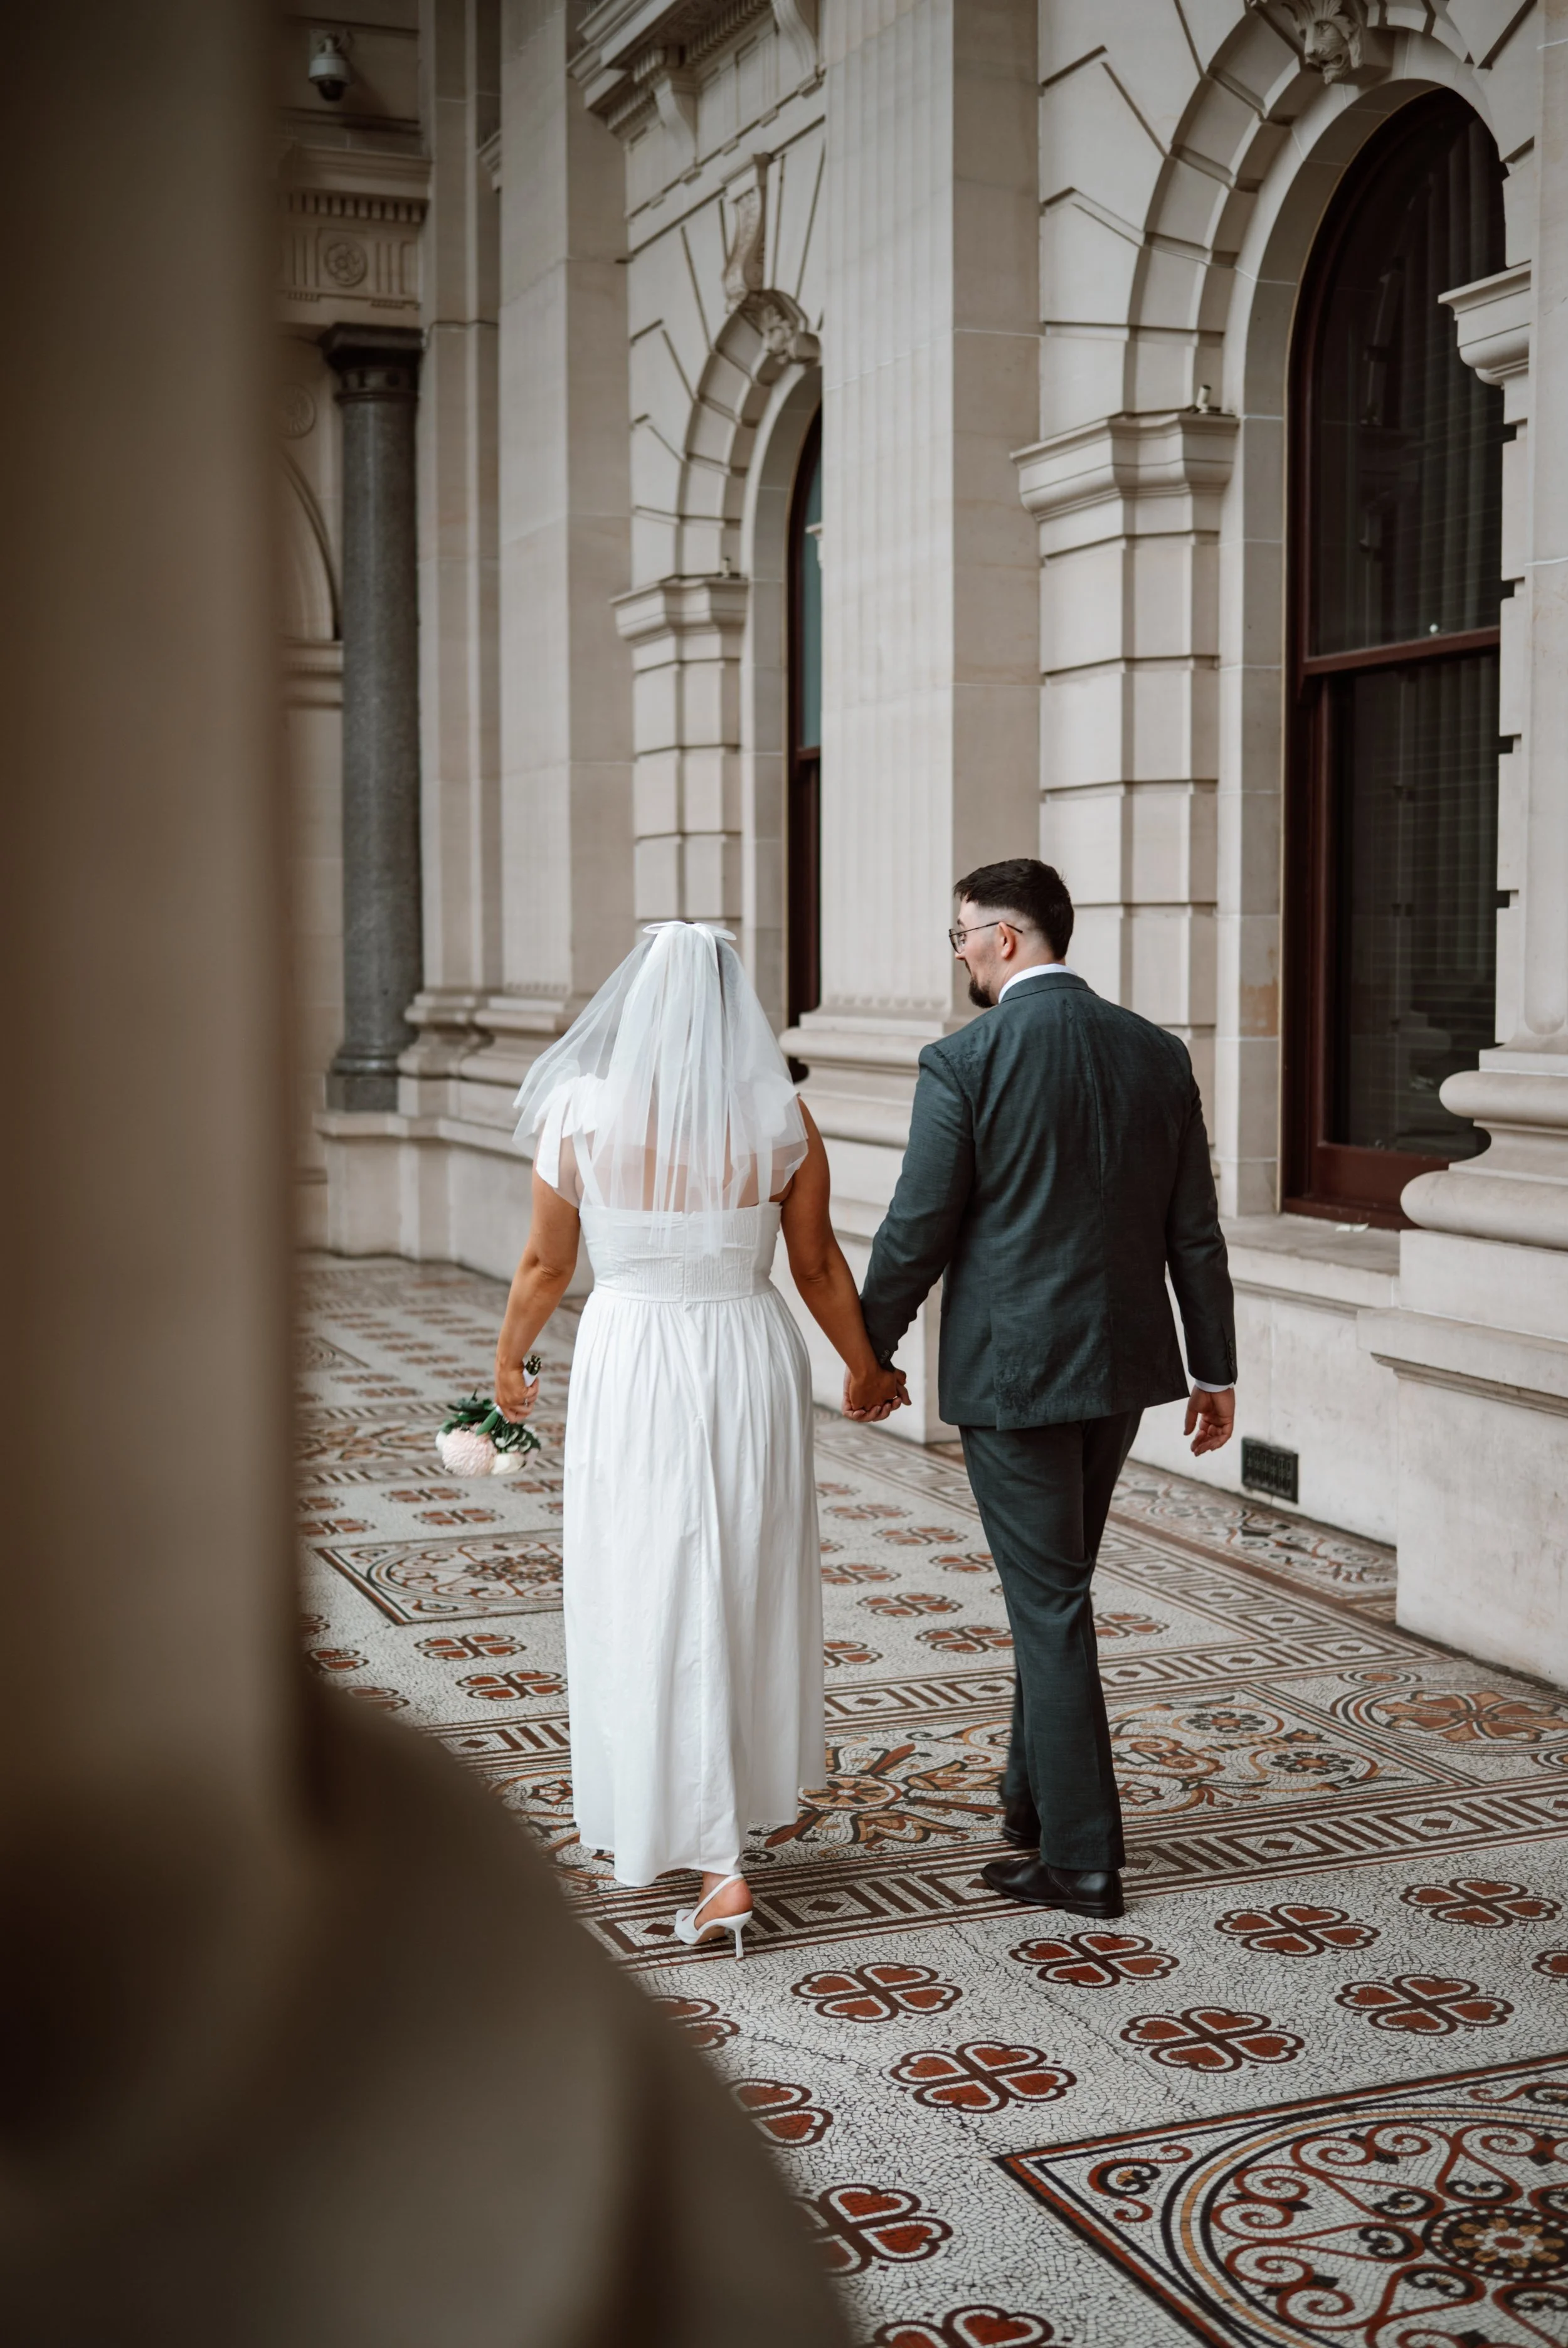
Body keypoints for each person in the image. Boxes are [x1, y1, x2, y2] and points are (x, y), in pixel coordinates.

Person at [492, 922, 908, 1954]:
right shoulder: (780, 1116)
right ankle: (724, 1839)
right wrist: (866, 1366)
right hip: (743, 1353)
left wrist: (509, 1360)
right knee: (739, 1575)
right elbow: (816, 1269)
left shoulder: (580, 1112)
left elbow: (547, 1266)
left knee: (640, 1578)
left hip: (633, 1354)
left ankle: (697, 1844)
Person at [852, 859, 1236, 1920]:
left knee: (1051, 1601)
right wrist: (1216, 1369)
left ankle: (1082, 1859)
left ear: (1006, 939)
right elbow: (1193, 1232)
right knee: (1056, 1589)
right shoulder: (1156, 1053)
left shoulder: (965, 1060)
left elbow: (917, 1226)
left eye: (962, 934)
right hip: (1121, 1369)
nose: (961, 951)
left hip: (1018, 1375)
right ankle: (1032, 1806)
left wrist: (868, 1351)